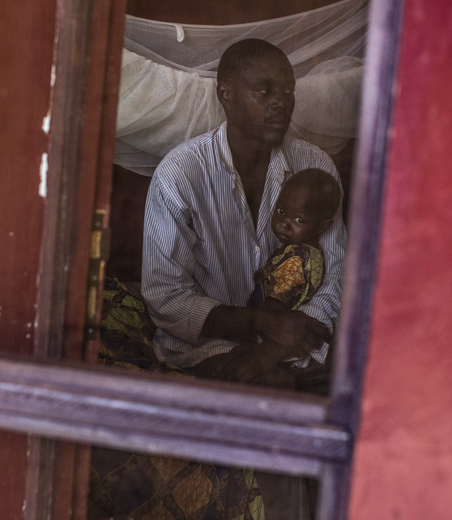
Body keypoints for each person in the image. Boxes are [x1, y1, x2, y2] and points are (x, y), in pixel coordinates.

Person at [141, 38, 347, 387]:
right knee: (266, 388)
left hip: (299, 341)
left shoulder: (315, 167)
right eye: (265, 91)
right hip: (207, 345)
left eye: (287, 90)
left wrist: (278, 345)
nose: (281, 102)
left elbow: (337, 274)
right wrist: (261, 324)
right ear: (226, 94)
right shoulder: (179, 174)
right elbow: (166, 297)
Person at [248, 168, 341, 314]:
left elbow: (271, 310)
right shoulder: (310, 253)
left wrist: (254, 324)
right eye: (281, 211)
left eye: (299, 220)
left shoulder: (295, 259)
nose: (284, 224)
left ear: (323, 226)